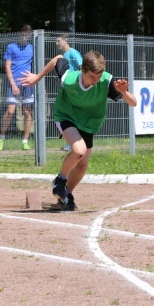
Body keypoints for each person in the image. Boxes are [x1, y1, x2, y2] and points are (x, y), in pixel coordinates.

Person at [20, 50, 137, 211]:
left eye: (98, 76)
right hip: (66, 116)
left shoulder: (106, 81)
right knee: (79, 150)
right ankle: (59, 180)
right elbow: (57, 59)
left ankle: (65, 194)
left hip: (89, 123)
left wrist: (123, 92)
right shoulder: (69, 78)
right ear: (83, 70)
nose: (95, 80)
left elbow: (133, 103)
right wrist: (37, 77)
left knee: (81, 167)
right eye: (91, 76)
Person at [0, 24, 34, 151]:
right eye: (22, 34)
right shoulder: (11, 47)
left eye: (27, 35)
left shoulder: (32, 48)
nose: (24, 37)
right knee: (11, 111)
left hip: (27, 84)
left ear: (29, 35)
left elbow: (37, 67)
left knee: (27, 112)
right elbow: (7, 66)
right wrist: (13, 84)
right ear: (19, 34)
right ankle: (1, 139)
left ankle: (25, 141)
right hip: (13, 83)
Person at [55, 33, 83, 151]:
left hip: (75, 90)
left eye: (58, 41)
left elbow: (82, 67)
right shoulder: (63, 55)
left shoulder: (73, 53)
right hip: (67, 89)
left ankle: (75, 143)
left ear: (65, 40)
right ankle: (71, 143)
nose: (56, 43)